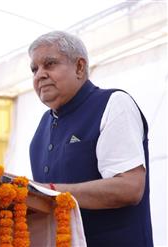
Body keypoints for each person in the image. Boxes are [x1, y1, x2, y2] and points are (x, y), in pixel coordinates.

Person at [28, 31, 153, 246]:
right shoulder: (43, 126)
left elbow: (130, 187)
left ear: (79, 67)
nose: (39, 74)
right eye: (34, 69)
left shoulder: (113, 103)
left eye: (49, 64)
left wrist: (47, 192)